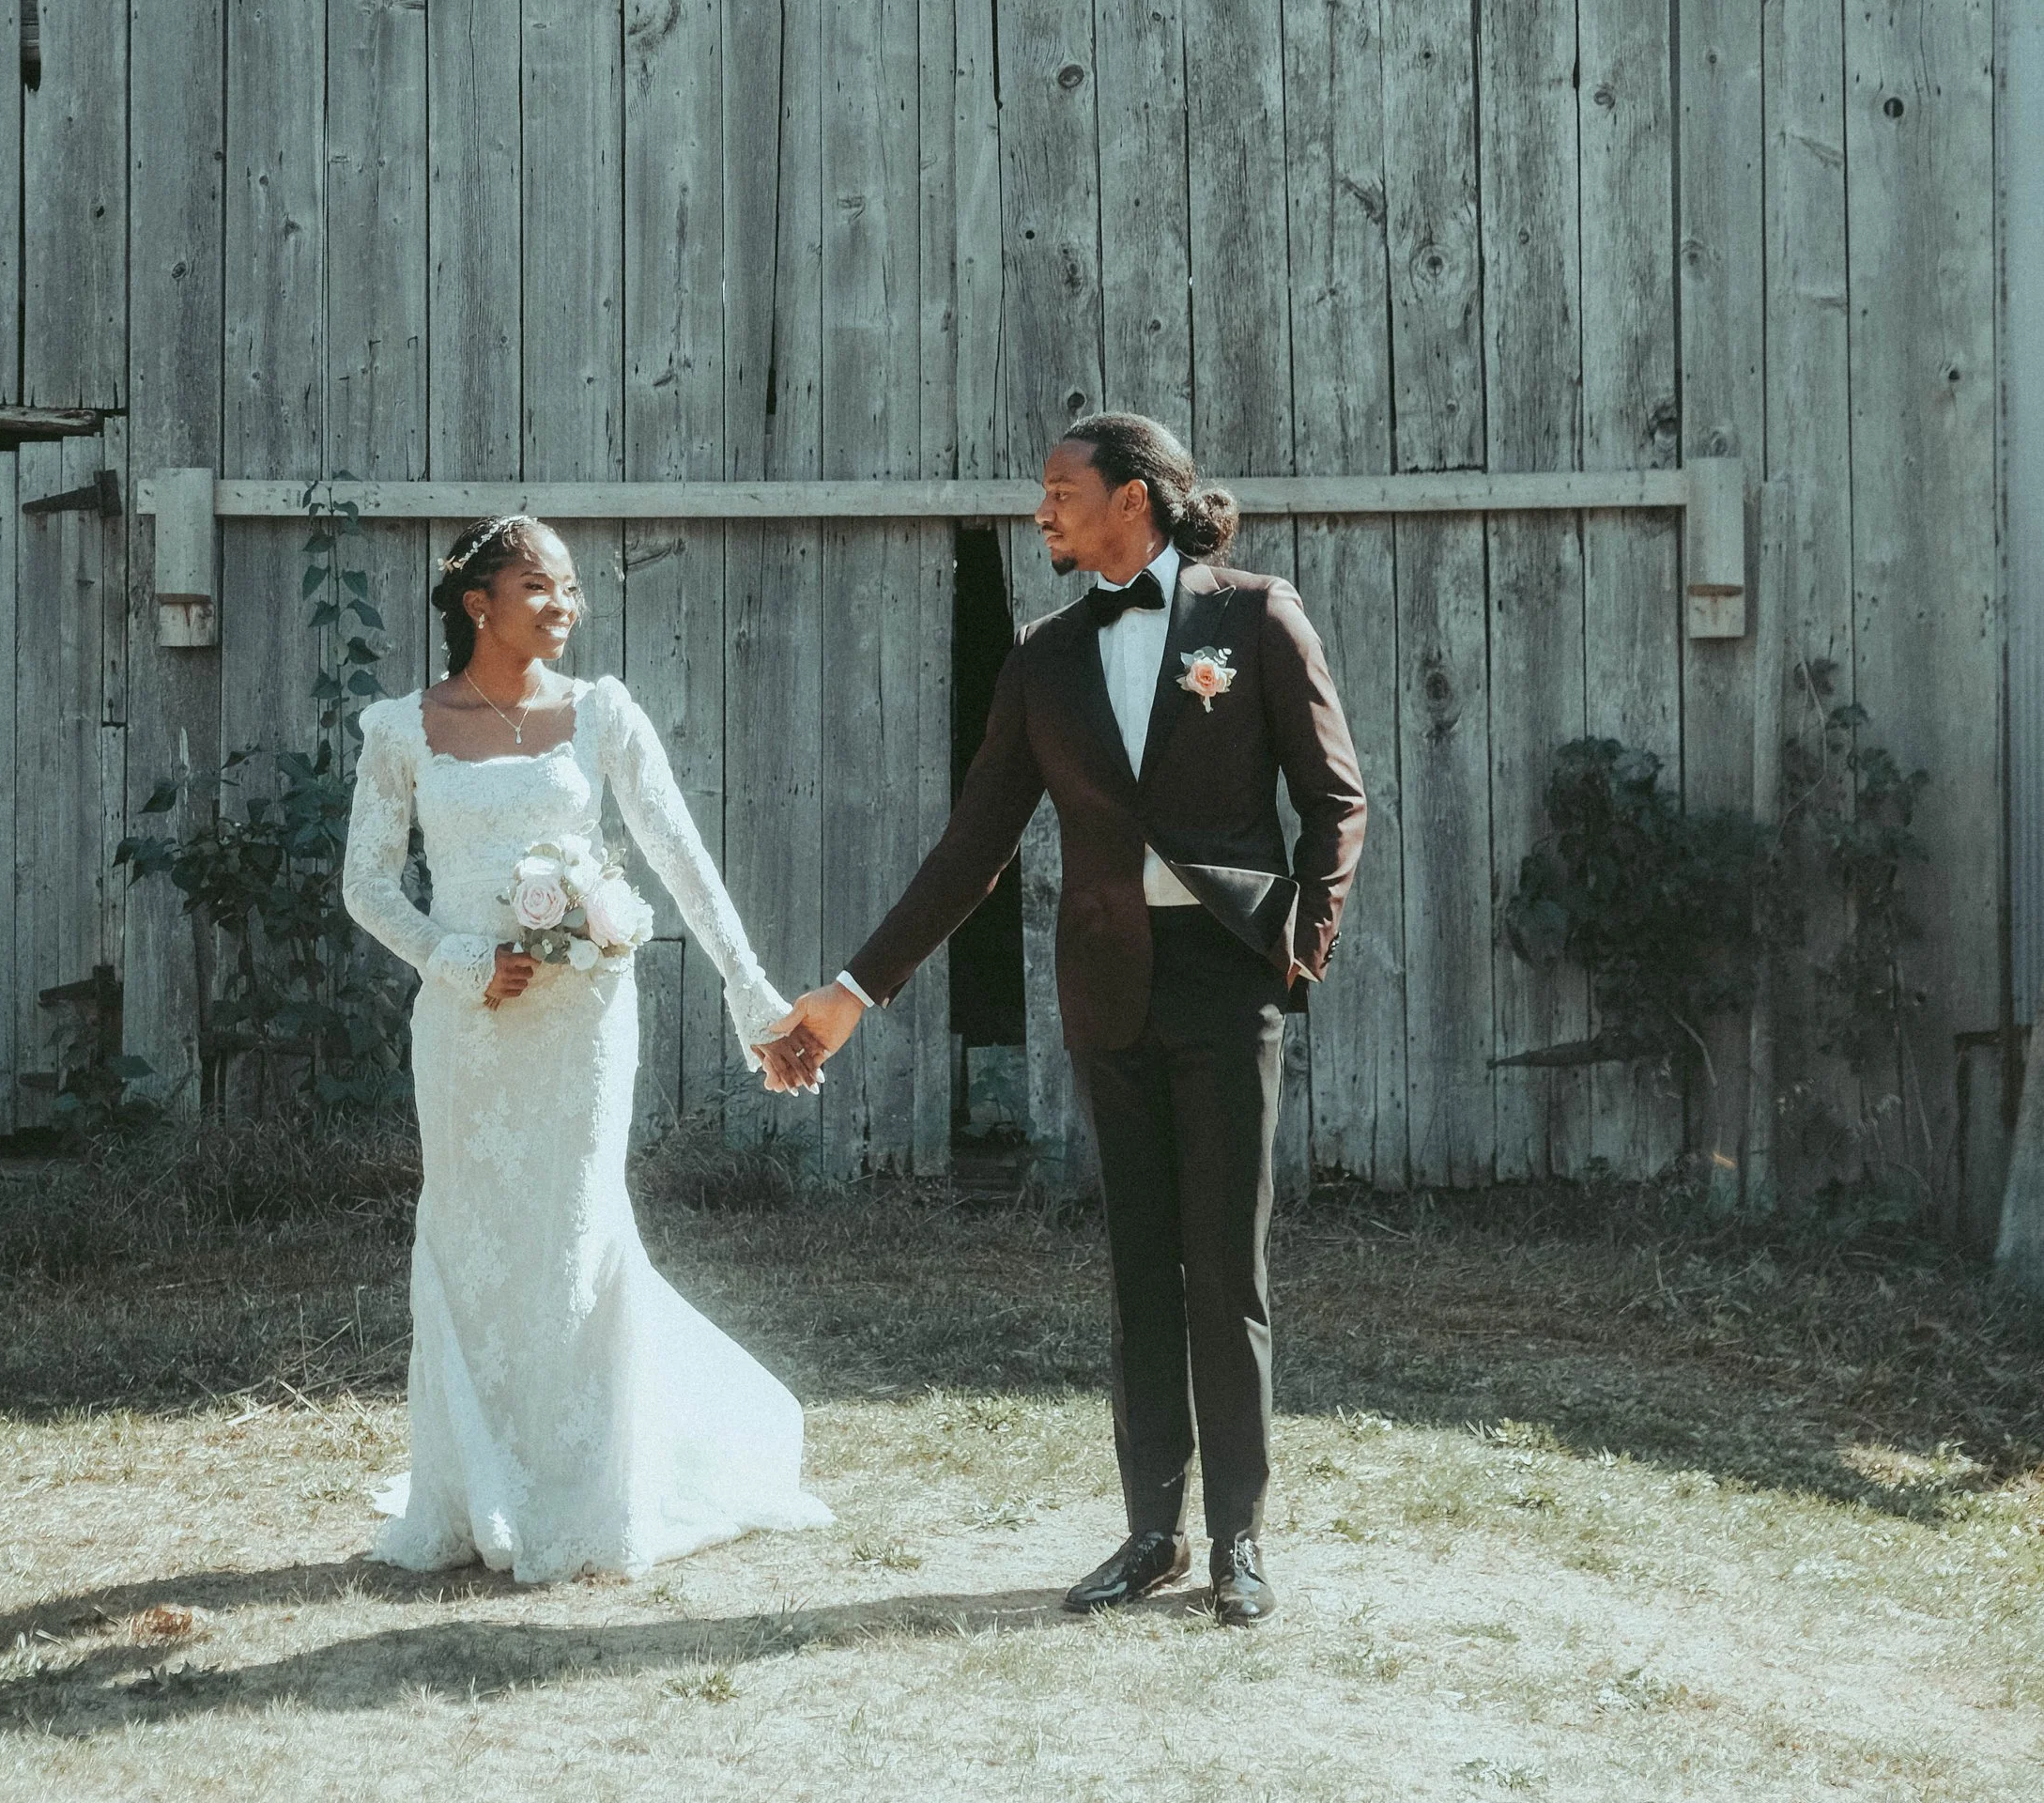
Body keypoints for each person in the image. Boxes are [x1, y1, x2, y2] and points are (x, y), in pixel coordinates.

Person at [770, 412, 1365, 1626]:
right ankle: (1152, 1530)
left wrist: (1298, 946)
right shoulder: (1042, 658)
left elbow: (1335, 799)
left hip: (1227, 978)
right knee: (1140, 1270)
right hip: (1110, 990)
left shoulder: (1254, 616)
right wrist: (850, 991)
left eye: (1060, 489)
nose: (1040, 508)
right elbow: (969, 852)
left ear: (1133, 501)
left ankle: (1236, 1541)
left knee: (1226, 1274)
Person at [342, 513, 830, 1583]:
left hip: (583, 1022)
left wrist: (758, 1004)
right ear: (479, 602)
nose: (565, 606)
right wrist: (460, 957)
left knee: (573, 1232)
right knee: (470, 1239)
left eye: (571, 590)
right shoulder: (401, 730)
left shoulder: (600, 715)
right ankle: (475, 1486)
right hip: (469, 1026)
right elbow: (368, 885)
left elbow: (681, 861)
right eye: (541, 588)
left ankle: (584, 1486)